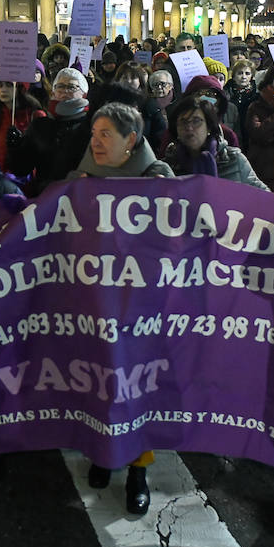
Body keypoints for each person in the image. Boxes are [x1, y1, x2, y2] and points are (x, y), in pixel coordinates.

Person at [68, 102, 174, 516]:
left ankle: (137, 470)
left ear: (131, 141)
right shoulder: (82, 177)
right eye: (93, 134)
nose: (95, 141)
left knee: (136, 387)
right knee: (97, 380)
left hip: (141, 308)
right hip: (95, 301)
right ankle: (101, 451)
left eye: (105, 135)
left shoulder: (157, 178)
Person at [7, 67, 93, 196]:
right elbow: (21, 169)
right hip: (46, 200)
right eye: (60, 87)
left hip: (83, 198)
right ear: (53, 93)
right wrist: (15, 148)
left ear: (84, 93)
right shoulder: (40, 125)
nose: (65, 91)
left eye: (72, 87)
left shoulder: (92, 126)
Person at [163, 93, 267, 189]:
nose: (189, 127)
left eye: (196, 121)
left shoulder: (234, 160)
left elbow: (265, 199)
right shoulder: (168, 167)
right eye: (183, 122)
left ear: (209, 127)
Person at [0, 77, 44, 169]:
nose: (3, 89)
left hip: (25, 177)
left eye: (9, 85)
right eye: (0, 85)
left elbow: (41, 151)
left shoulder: (35, 115)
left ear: (19, 88)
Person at [225, 58, 258, 133]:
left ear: (252, 76)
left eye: (247, 73)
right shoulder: (226, 93)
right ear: (233, 76)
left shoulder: (256, 95)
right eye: (240, 73)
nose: (244, 77)